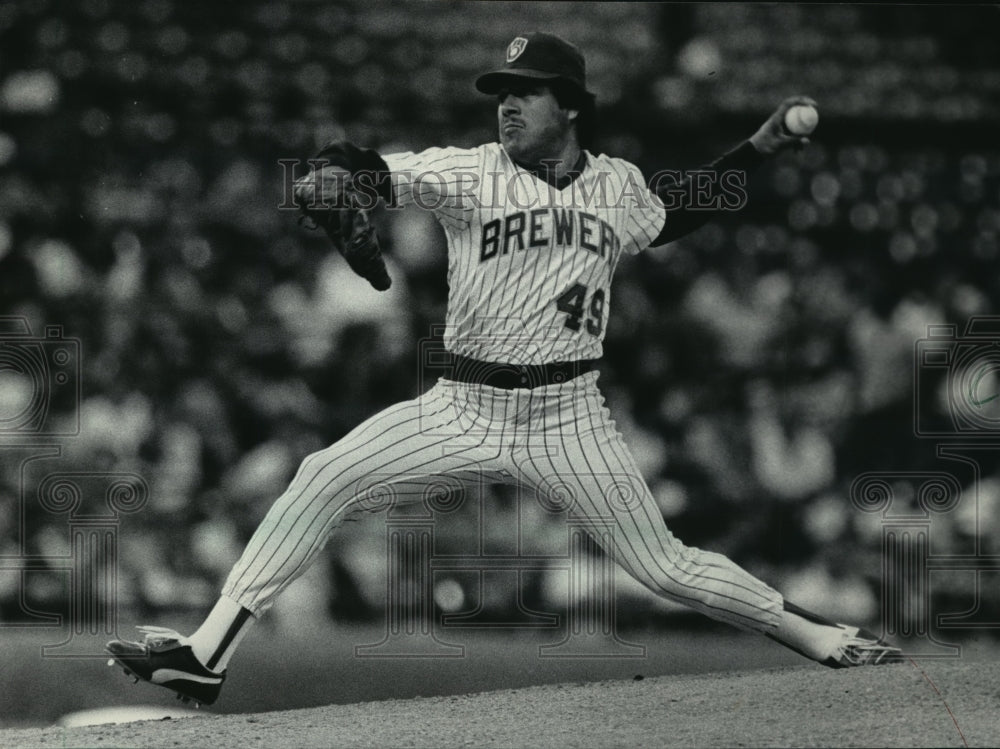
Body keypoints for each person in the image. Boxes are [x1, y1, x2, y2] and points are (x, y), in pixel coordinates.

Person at [106, 32, 900, 707]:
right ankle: (207, 655)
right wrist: (329, 171)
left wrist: (760, 148)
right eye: (502, 93)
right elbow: (367, 166)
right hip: (462, 404)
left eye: (527, 93)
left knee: (667, 567)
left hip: (569, 418)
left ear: (572, 105)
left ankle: (823, 636)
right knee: (321, 474)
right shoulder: (471, 171)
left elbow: (683, 206)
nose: (507, 105)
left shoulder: (618, 187)